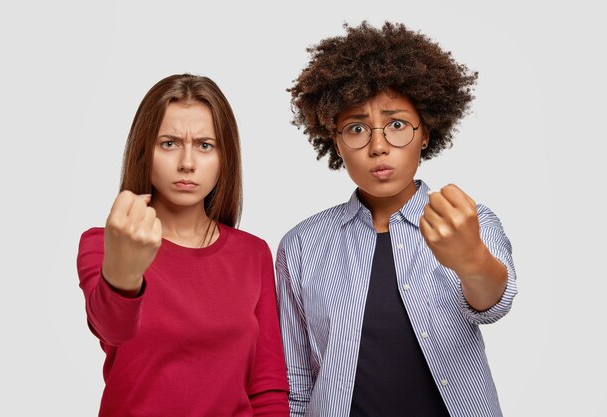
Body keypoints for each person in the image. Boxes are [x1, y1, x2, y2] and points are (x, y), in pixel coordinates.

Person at [276, 22, 517, 417]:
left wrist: (471, 260)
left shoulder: (467, 220)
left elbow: (494, 303)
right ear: (335, 140)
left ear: (425, 132)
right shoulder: (301, 246)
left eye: (398, 125)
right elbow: (297, 381)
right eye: (356, 128)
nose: (378, 146)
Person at [77, 74, 289, 417]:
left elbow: (267, 388)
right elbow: (110, 328)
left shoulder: (253, 254)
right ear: (145, 151)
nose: (187, 163)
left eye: (205, 145)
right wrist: (125, 270)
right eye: (169, 143)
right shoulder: (103, 243)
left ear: (225, 157)